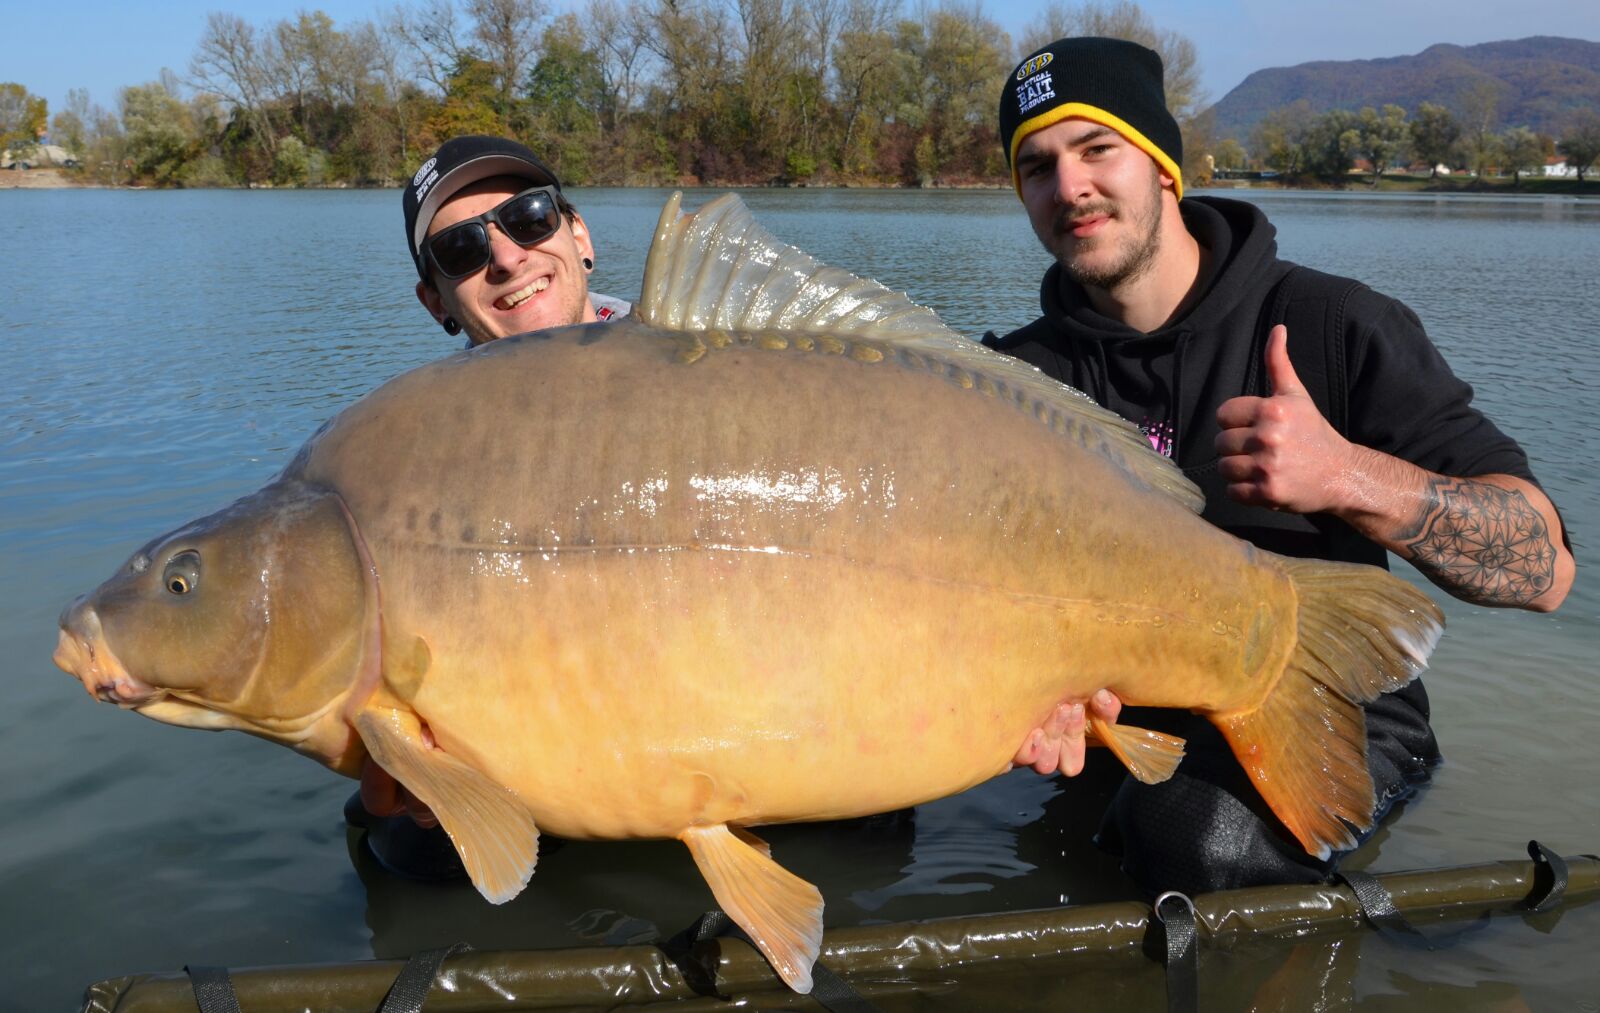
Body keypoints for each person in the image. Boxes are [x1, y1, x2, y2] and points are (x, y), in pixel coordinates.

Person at [355, 133, 1120, 881]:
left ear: (578, 234)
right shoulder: (417, 464)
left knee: (870, 830)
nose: (506, 255)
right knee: (404, 837)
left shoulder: (731, 349)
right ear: (435, 302)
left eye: (528, 218)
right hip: (594, 768)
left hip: (802, 707)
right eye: (460, 249)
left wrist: (1019, 675)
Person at [985, 37, 1573, 895]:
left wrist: (1347, 476)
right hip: (1109, 737)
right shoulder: (1012, 380)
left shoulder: (1334, 323)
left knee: (1195, 832)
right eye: (1036, 165)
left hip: (1330, 723)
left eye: (1096, 149)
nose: (1068, 186)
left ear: (1163, 168)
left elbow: (1545, 569)